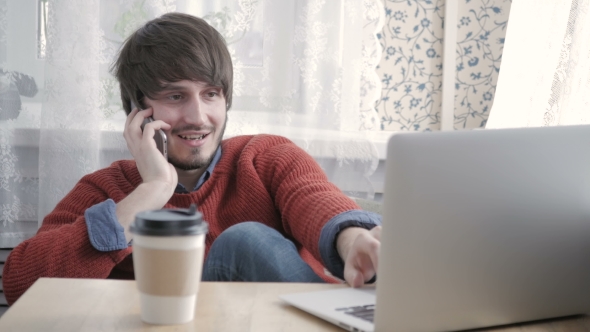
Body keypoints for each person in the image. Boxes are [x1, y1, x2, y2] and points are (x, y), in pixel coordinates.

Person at [2, 13, 381, 306]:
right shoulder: (107, 190)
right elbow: (22, 285)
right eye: (176, 96)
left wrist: (353, 240)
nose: (199, 117)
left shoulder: (264, 157)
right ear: (138, 109)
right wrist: (152, 191)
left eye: (211, 94)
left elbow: (314, 199)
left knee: (244, 242)